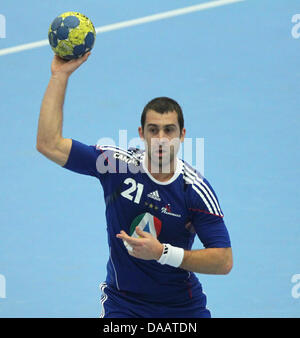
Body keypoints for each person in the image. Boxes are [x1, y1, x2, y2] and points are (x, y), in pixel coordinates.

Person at [36, 53, 233, 318]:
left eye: (169, 130)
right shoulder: (116, 166)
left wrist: (163, 253)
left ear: (182, 135)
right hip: (124, 305)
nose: (161, 139)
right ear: (141, 134)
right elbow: (49, 144)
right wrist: (60, 76)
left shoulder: (193, 190)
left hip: (182, 309)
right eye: (153, 130)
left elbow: (223, 260)